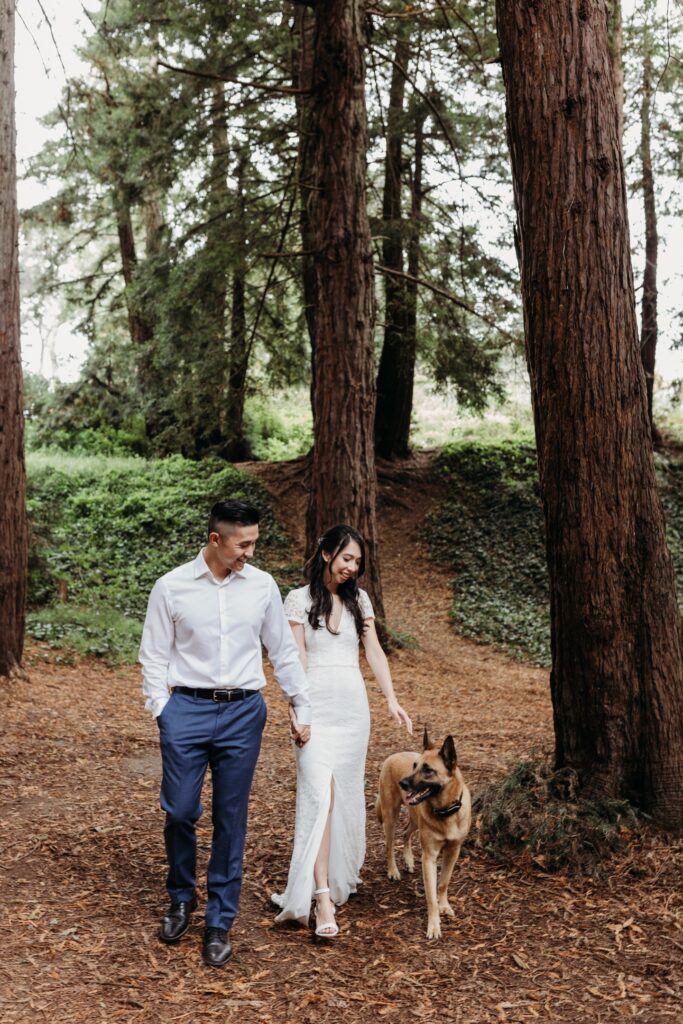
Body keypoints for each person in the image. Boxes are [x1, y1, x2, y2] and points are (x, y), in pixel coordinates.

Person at [139, 499, 311, 968]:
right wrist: (162, 710)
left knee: (230, 818)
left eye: (254, 543)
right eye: (243, 544)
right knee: (179, 810)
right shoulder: (171, 586)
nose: (250, 553)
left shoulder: (262, 586)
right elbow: (153, 654)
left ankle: (219, 920)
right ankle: (181, 897)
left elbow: (282, 650)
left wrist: (301, 705)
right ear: (215, 540)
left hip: (242, 713)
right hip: (186, 710)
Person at [271, 524, 412, 937]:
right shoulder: (298, 600)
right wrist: (297, 709)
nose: (352, 567)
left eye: (357, 562)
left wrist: (391, 699)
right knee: (320, 798)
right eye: (347, 558)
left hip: (352, 713)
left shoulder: (359, 600)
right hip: (315, 709)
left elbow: (374, 651)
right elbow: (295, 657)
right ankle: (321, 899)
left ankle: (330, 881)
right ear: (326, 553)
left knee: (341, 799)